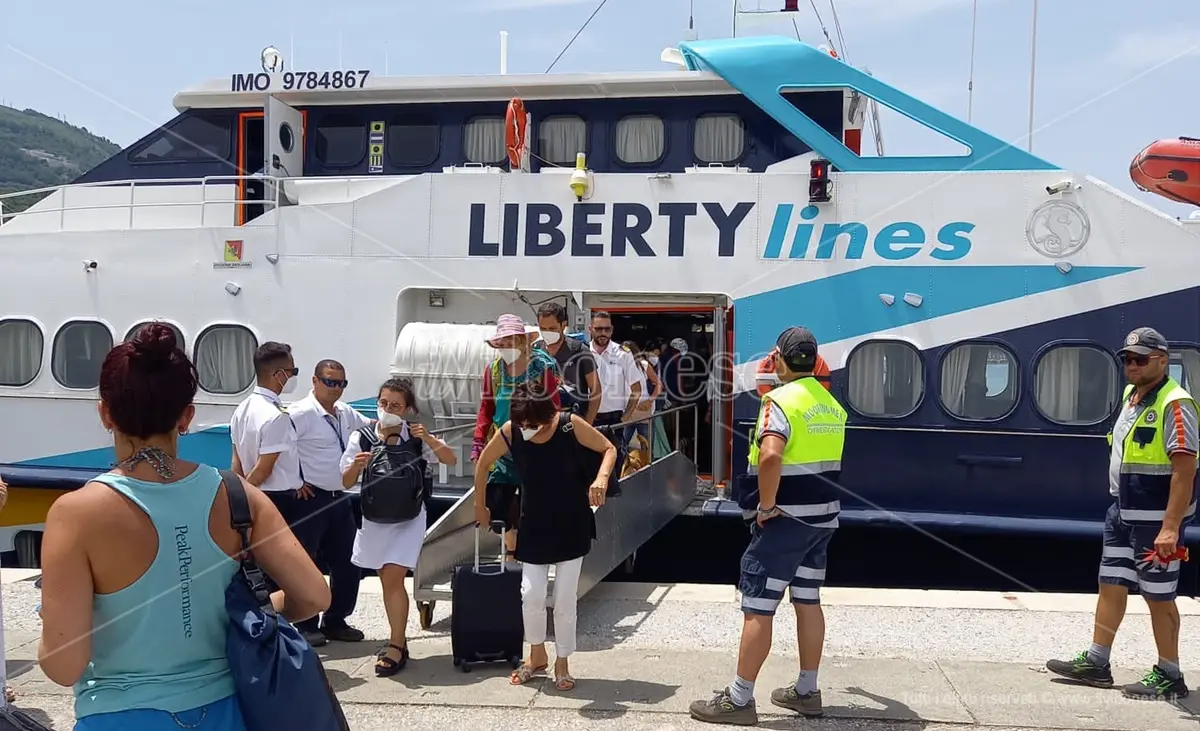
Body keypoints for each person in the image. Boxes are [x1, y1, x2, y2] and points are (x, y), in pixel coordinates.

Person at [37, 323, 330, 730]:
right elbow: (315, 596)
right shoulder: (237, 494)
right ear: (187, 416)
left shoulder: (76, 513)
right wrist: (245, 615)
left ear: (105, 413)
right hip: (227, 713)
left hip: (120, 717)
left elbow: (63, 666)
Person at [689, 326, 847, 725]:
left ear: (778, 358)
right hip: (822, 519)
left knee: (758, 605)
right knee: (808, 600)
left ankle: (739, 700)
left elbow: (772, 455)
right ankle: (807, 690)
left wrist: (766, 505)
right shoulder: (830, 404)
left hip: (785, 521)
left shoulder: (778, 402)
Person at [1046, 327, 1199, 700]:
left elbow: (1184, 469)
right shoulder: (1132, 397)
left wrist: (1170, 528)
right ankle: (1097, 662)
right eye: (1127, 359)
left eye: (1140, 359)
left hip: (1155, 520)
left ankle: (1170, 673)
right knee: (1111, 584)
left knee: (1158, 596)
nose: (1131, 365)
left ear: (1163, 360)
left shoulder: (1175, 404)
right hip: (1123, 512)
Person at [472, 384, 615, 692]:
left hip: (572, 521)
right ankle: (536, 654)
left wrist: (601, 477)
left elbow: (609, 448)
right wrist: (479, 504)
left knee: (564, 598)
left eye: (533, 424)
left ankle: (562, 660)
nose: (527, 430)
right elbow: (483, 463)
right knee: (531, 593)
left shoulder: (568, 425)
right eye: (522, 424)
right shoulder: (512, 431)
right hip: (533, 522)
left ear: (548, 415)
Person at [341, 378, 456, 676]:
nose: (387, 409)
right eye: (383, 403)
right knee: (385, 578)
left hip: (408, 518)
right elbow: (345, 481)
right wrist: (356, 466)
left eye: (394, 405)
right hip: (375, 517)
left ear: (407, 409)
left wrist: (429, 439)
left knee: (392, 576)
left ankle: (396, 644)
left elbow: (450, 459)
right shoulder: (364, 437)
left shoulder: (416, 438)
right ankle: (399, 641)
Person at [229, 341, 325, 646]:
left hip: (264, 493)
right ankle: (280, 634)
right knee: (286, 572)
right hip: (276, 501)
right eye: (293, 371)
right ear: (279, 374)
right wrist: (249, 499)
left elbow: (237, 463)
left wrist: (237, 497)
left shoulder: (243, 409)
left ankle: (260, 631)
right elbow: (264, 468)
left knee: (255, 569)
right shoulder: (276, 416)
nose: (293, 376)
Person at [286, 359, 373, 645]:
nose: (336, 388)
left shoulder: (346, 413)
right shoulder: (298, 414)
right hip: (310, 499)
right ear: (315, 381)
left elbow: (371, 429)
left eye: (341, 383)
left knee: (348, 561)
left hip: (341, 496)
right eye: (330, 382)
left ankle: (336, 619)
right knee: (306, 563)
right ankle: (306, 622)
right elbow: (281, 449)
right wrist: (296, 482)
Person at [472, 314, 561, 558]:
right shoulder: (494, 371)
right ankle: (512, 547)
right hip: (504, 445)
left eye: (510, 342)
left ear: (522, 342)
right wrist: (479, 441)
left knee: (532, 505)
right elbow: (486, 408)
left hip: (535, 443)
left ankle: (520, 552)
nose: (505, 348)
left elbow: (554, 406)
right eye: (501, 344)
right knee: (497, 505)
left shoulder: (540, 369)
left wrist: (553, 440)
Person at [536, 302, 601, 423]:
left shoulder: (579, 350)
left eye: (552, 328)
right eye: (543, 329)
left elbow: (595, 390)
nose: (547, 332)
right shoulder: (535, 351)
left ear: (563, 325)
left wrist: (588, 423)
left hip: (572, 421)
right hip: (542, 422)